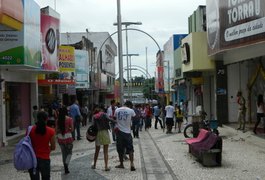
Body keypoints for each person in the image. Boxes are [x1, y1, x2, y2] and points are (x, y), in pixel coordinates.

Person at [28, 111, 56, 180]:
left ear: (37, 118)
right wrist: (47, 149)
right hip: (45, 159)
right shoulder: (51, 131)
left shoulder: (30, 130)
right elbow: (53, 147)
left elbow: (28, 144)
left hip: (32, 159)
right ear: (47, 119)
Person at [91, 105, 115, 171]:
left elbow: (93, 125)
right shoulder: (104, 114)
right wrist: (116, 121)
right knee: (106, 151)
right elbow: (110, 120)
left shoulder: (94, 116)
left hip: (98, 133)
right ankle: (106, 166)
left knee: (97, 150)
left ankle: (94, 165)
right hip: (105, 133)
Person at [114, 100, 136, 171]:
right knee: (130, 149)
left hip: (119, 133)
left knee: (120, 149)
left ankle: (121, 164)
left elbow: (115, 118)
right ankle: (132, 164)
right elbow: (133, 118)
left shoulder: (117, 110)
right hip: (127, 133)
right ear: (130, 105)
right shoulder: (131, 110)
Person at [56, 106, 74, 174]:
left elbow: (56, 130)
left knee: (64, 154)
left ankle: (65, 166)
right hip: (68, 138)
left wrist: (61, 130)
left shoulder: (58, 120)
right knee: (69, 153)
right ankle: (67, 164)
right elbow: (72, 129)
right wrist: (68, 129)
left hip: (60, 138)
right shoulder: (69, 119)